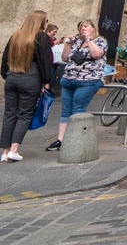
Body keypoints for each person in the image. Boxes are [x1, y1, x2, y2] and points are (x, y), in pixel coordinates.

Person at [48, 20, 107, 152]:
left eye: (86, 26)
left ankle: (74, 140)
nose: (82, 29)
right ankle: (61, 140)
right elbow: (64, 58)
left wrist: (89, 39)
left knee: (77, 109)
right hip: (69, 79)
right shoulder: (77, 42)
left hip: (88, 80)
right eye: (81, 27)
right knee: (65, 111)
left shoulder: (100, 41)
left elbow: (96, 54)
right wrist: (68, 44)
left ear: (93, 28)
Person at [1, 10, 52, 162]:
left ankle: (5, 152)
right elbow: (44, 62)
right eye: (46, 20)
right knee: (24, 115)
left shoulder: (16, 35)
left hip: (12, 78)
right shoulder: (41, 36)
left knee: (9, 114)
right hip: (30, 79)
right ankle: (14, 150)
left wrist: (6, 75)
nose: (47, 23)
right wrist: (46, 81)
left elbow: (5, 58)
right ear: (41, 22)